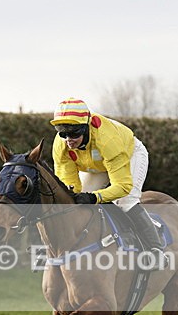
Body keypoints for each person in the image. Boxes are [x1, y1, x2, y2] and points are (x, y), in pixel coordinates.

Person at [50, 97, 166, 268]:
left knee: (125, 201)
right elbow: (69, 186)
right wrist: (77, 197)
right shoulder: (61, 146)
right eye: (62, 132)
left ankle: (156, 249)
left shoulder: (107, 140)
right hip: (97, 165)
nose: (69, 139)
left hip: (129, 154)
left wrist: (94, 197)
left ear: (86, 127)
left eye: (74, 133)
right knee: (76, 203)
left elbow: (122, 187)